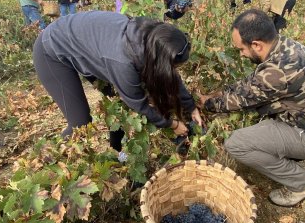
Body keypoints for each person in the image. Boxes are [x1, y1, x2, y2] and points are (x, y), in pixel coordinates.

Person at [198, 9, 305, 207]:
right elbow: (252, 83)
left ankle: (303, 185)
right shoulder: (284, 47)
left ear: (257, 45)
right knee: (262, 121)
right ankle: (287, 156)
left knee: (237, 144)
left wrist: (205, 103)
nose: (241, 55)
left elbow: (239, 101)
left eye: (241, 49)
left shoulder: (278, 71)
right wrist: (221, 91)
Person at [33, 11, 202, 157]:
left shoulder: (152, 38)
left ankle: (117, 152)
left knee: (117, 106)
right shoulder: (123, 62)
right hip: (51, 49)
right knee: (80, 124)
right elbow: (139, 105)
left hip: (87, 45)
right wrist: (172, 124)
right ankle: (57, 162)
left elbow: (170, 75)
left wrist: (191, 107)